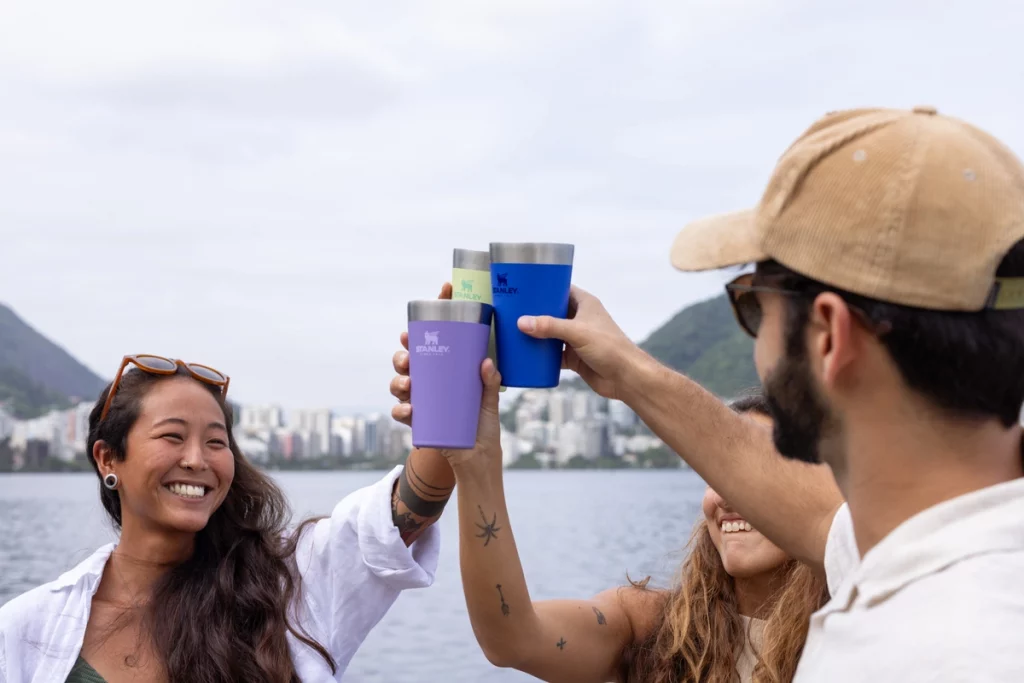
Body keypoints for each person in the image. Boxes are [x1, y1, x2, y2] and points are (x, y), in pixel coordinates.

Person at [497, 106, 1024, 680]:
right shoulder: (925, 543)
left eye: (753, 305)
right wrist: (624, 369)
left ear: (828, 336)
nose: (758, 348)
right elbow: (798, 502)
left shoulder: (930, 651)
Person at [0, 354, 455, 682]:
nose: (197, 460)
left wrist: (448, 391)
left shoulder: (285, 587)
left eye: (216, 443)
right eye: (172, 437)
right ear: (108, 458)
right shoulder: (27, 627)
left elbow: (397, 518)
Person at [390, 366, 827, 683]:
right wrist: (476, 463)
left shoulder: (860, 626)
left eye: (762, 477)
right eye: (723, 475)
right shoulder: (651, 627)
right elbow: (513, 639)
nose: (732, 496)